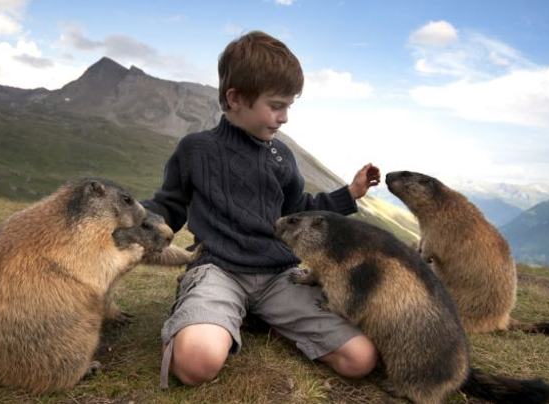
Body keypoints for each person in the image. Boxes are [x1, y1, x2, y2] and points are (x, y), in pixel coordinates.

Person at [142, 30, 380, 388]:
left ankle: (260, 318)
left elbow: (300, 210)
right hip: (218, 270)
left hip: (278, 277)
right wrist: (130, 219)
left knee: (360, 359)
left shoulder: (282, 155)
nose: (284, 117)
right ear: (235, 98)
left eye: (289, 106)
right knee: (195, 365)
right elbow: (168, 207)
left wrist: (350, 194)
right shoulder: (195, 149)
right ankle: (209, 316)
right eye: (276, 105)